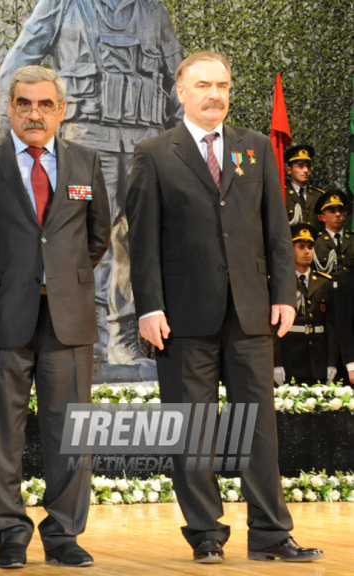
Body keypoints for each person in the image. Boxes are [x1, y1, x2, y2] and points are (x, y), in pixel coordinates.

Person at [127, 51, 323, 563]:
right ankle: (206, 534)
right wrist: (148, 307)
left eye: (223, 85)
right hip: (182, 318)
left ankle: (271, 535)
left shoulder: (255, 149)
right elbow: (141, 242)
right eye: (204, 85)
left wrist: (284, 294)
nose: (215, 94)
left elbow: (277, 231)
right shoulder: (153, 153)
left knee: (258, 424)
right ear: (181, 92)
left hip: (251, 313)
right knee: (191, 428)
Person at [0, 65, 110, 568]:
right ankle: (10, 536)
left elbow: (97, 235)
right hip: (3, 318)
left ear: (61, 111)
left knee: (71, 434)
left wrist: (62, 279)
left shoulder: (85, 162)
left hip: (68, 319)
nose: (34, 113)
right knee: (1, 436)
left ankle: (63, 535)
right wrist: (1, 282)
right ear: (10, 108)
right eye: (24, 104)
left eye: (44, 104)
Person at [0, 0, 182, 374]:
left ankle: (126, 339)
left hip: (145, 140)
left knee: (135, 241)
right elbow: (17, 62)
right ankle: (90, 339)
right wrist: (3, 123)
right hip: (87, 140)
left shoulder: (153, 9)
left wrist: (178, 145)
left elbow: (174, 80)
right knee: (86, 240)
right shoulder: (61, 4)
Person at [273, 224, 337, 385]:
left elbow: (332, 326)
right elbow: (272, 328)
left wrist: (332, 362)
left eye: (310, 247)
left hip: (318, 359)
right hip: (290, 358)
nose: (307, 251)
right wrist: (276, 362)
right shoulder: (278, 282)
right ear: (290, 249)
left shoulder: (325, 282)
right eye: (301, 247)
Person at [312, 190, 354, 279]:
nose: (338, 214)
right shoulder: (316, 242)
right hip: (327, 290)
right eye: (332, 211)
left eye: (340, 210)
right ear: (322, 218)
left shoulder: (352, 239)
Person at [283, 144, 324, 228]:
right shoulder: (282, 195)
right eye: (301, 166)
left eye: (308, 166)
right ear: (289, 170)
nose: (306, 170)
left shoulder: (319, 196)